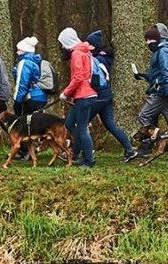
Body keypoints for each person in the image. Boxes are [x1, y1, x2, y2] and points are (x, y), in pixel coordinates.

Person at [85, 30, 137, 162]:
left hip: (97, 95)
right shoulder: (105, 57)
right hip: (107, 95)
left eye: (89, 44)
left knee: (81, 124)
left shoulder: (96, 59)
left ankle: (83, 153)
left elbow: (94, 79)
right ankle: (129, 149)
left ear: (94, 46)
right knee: (110, 124)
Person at [133, 25, 168, 157]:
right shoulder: (160, 51)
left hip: (161, 92)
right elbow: (157, 75)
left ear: (157, 39)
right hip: (165, 91)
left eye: (150, 40)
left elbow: (167, 73)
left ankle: (147, 143)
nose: (147, 43)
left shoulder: (163, 52)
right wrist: (143, 75)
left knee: (144, 116)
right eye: (146, 40)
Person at [57, 27, 98, 167]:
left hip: (84, 96)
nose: (62, 47)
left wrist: (66, 93)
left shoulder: (76, 54)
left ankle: (89, 159)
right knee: (69, 123)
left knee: (82, 129)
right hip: (85, 95)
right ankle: (83, 153)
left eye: (62, 43)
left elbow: (78, 77)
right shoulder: (84, 52)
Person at [10, 36, 48, 159]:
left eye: (19, 50)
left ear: (25, 51)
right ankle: (31, 151)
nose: (17, 52)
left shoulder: (24, 62)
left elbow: (22, 83)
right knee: (33, 125)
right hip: (40, 97)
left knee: (22, 125)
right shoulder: (34, 61)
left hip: (29, 98)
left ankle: (23, 151)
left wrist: (17, 100)